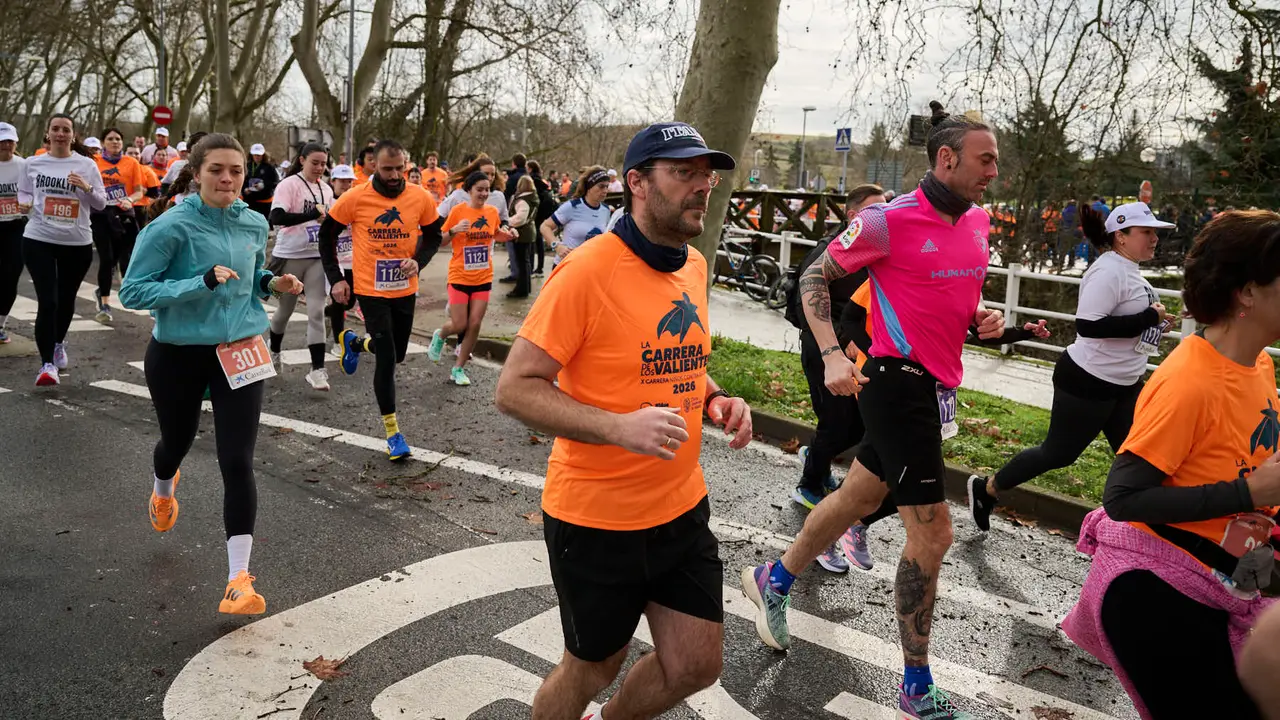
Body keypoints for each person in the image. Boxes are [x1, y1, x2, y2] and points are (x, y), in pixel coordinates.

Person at [742, 101, 1004, 719]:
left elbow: (949, 289)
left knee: (857, 499)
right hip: (895, 383)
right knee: (933, 530)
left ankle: (774, 578)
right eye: (985, 159)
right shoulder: (888, 221)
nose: (995, 170)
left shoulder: (979, 223)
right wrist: (833, 353)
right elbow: (813, 279)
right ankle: (916, 689)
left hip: (936, 384)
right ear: (947, 158)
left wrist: (979, 317)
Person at [494, 120, 749, 720]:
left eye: (705, 174)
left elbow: (680, 360)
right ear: (636, 183)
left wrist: (714, 398)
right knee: (592, 667)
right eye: (682, 172)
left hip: (681, 508)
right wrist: (617, 426)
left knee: (695, 665)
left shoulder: (694, 266)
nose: (701, 186)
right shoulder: (585, 271)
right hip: (596, 520)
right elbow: (515, 389)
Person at [1060, 209, 1280, 719]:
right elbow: (1124, 499)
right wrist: (1248, 494)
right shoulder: (1191, 379)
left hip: (1221, 581)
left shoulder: (1259, 363)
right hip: (1154, 593)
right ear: (1248, 292)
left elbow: (1240, 465)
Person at [120, 133, 303, 616]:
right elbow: (134, 292)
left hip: (241, 349)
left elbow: (251, 276)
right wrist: (197, 283)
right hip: (179, 352)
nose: (227, 178)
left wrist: (271, 282)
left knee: (237, 459)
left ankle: (238, 581)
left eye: (236, 171)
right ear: (197, 173)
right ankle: (164, 485)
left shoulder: (253, 222)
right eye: (217, 170)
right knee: (175, 442)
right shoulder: (170, 227)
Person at [967, 202, 1173, 531]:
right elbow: (1089, 326)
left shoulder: (1129, 269)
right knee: (1059, 453)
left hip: (1125, 383)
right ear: (1120, 236)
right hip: (1088, 381)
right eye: (1146, 232)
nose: (1154, 239)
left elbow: (1125, 323)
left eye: (1155, 233)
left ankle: (1136, 531)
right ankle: (986, 488)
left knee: (1139, 456)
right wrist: (1150, 317)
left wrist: (1156, 324)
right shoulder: (1108, 271)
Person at [318, 139, 443, 461]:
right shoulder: (356, 197)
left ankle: (356, 344)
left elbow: (433, 236)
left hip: (404, 287)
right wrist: (337, 280)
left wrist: (419, 260)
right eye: (388, 169)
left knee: (398, 353)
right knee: (387, 359)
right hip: (370, 289)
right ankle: (393, 434)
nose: (394, 175)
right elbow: (326, 235)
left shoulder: (419, 197)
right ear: (373, 165)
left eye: (400, 168)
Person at [786, 183, 887, 513]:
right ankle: (809, 484)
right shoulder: (829, 251)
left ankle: (818, 454)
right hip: (824, 350)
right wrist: (835, 347)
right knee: (835, 423)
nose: (884, 216)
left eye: (886, 208)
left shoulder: (877, 248)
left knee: (859, 425)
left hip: (859, 351)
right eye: (876, 209)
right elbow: (806, 302)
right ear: (854, 215)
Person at [17, 113, 107, 386]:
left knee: (66, 299)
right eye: (55, 129)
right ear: (48, 134)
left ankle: (58, 343)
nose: (60, 133)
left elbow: (101, 203)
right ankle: (47, 365)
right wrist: (26, 204)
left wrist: (86, 187)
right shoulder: (33, 163)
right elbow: (23, 193)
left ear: (73, 135)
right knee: (49, 301)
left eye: (65, 129)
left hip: (76, 242)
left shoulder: (86, 165)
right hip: (38, 238)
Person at [427, 170, 513, 385]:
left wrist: (510, 235)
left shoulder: (492, 212)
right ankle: (441, 334)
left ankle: (458, 369)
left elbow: (496, 234)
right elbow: (441, 241)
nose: (484, 193)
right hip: (459, 276)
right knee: (459, 323)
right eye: (479, 189)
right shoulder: (458, 211)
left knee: (474, 324)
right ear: (469, 190)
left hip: (483, 276)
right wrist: (454, 230)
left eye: (487, 189)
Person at [267, 141, 334, 391]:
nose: (319, 168)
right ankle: (274, 350)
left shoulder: (326, 190)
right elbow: (276, 218)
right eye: (314, 163)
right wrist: (311, 216)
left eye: (323, 164)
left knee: (317, 310)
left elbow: (332, 220)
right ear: (302, 160)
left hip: (317, 256)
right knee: (284, 310)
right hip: (290, 255)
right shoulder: (289, 185)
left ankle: (317, 370)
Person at [91, 128, 148, 324]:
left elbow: (139, 192)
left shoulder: (131, 163)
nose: (115, 142)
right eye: (110, 139)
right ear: (103, 142)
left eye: (118, 139)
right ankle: (105, 304)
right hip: (100, 215)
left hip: (124, 213)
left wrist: (129, 200)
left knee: (122, 257)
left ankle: (101, 289)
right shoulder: (95, 162)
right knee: (106, 259)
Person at [438, 154, 511, 284]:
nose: (489, 178)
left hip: (485, 254)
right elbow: (438, 216)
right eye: (486, 173)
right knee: (460, 296)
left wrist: (505, 229)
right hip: (461, 256)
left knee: (480, 294)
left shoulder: (499, 197)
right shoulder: (458, 195)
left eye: (493, 174)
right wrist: (450, 230)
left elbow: (504, 219)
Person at [538, 165, 611, 268]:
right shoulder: (572, 206)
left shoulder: (606, 210)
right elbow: (545, 227)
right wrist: (557, 246)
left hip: (588, 268)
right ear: (589, 187)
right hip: (566, 267)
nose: (605, 191)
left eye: (607, 186)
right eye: (601, 186)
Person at [322, 164, 358, 352]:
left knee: (351, 301)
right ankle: (338, 342)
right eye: (342, 181)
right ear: (333, 181)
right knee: (339, 300)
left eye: (349, 181)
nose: (346, 185)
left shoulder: (355, 201)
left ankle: (325, 313)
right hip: (336, 259)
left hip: (353, 257)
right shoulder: (328, 202)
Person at [0, 122, 25, 344]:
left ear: (16, 143)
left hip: (16, 225)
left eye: (9, 141)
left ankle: (0, 323)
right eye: (1, 141)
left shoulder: (24, 166)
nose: (5, 145)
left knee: (10, 276)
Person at [506, 174, 539, 299]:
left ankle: (521, 289)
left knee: (521, 262)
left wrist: (507, 221)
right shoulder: (532, 198)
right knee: (525, 262)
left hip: (522, 233)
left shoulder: (523, 200)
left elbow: (520, 218)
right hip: (529, 231)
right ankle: (525, 287)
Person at [527, 159, 558, 277]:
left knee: (533, 242)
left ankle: (533, 268)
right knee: (539, 242)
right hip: (542, 214)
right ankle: (540, 268)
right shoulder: (542, 182)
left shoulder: (532, 181)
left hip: (535, 215)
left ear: (530, 169)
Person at [243, 144, 278, 219]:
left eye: (259, 155)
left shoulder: (269, 167)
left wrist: (264, 185)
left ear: (263, 155)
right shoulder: (246, 166)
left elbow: (275, 182)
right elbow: (242, 180)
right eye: (255, 154)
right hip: (249, 201)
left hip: (264, 202)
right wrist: (244, 189)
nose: (257, 157)